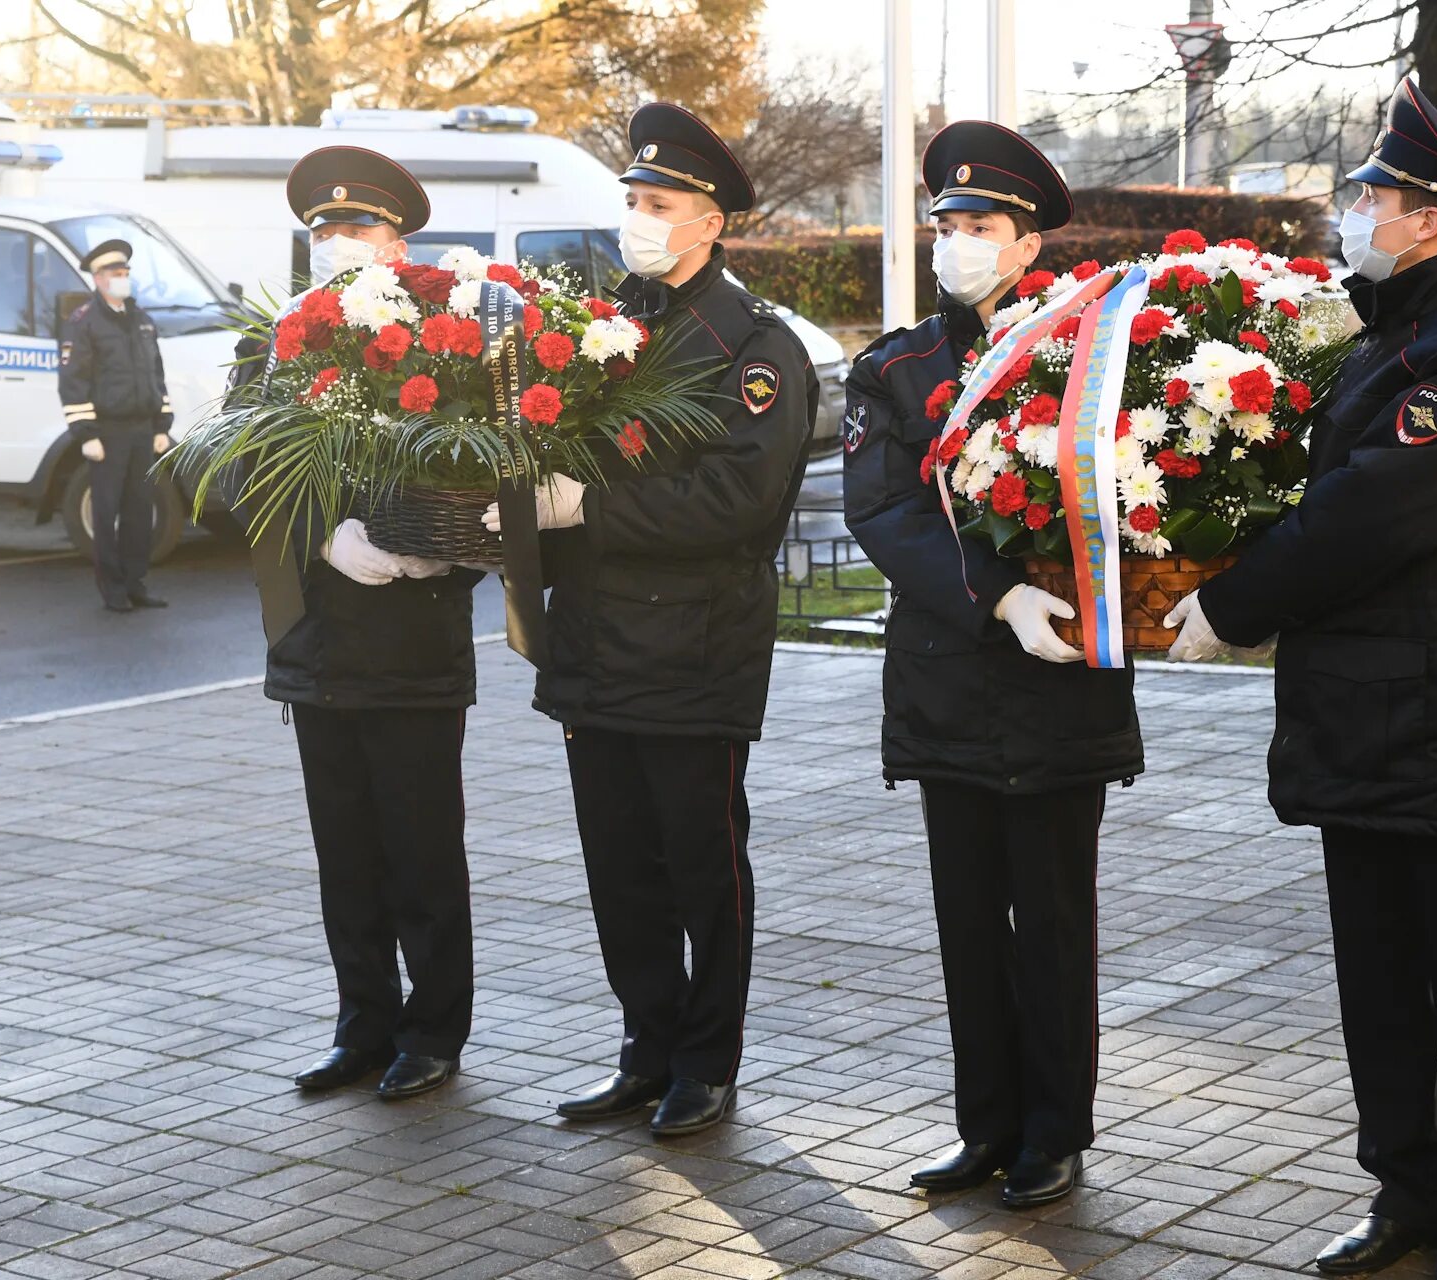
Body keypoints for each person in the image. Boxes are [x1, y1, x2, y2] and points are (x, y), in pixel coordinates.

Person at [1165, 79, 1437, 1280]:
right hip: (1361, 715)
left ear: (1431, 218)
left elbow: (1359, 518)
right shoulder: (1385, 334)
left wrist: (1229, 602)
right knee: (1379, 984)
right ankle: (1400, 1188)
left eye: (1375, 194)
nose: (1356, 209)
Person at [495, 103, 814, 1138]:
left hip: (693, 648)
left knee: (700, 866)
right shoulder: (596, 332)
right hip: (592, 642)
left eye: (660, 203)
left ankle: (705, 1060)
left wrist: (590, 506)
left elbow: (741, 502)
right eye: (632, 199)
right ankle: (643, 1045)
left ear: (710, 221)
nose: (640, 217)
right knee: (618, 865)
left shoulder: (752, 347)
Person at [840, 121, 1143, 1209]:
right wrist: (997, 594)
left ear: (1026, 246)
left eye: (981, 227)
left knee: (1052, 923)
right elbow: (878, 509)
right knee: (968, 926)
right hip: (948, 680)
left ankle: (1055, 1131)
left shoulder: (1094, 353)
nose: (958, 243)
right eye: (947, 225)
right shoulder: (896, 366)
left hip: (1060, 681)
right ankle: (986, 1126)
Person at [229, 146, 486, 1102]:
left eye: (359, 228)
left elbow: (479, 466)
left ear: (399, 239)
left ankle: (434, 1029)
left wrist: (438, 550)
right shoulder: (274, 343)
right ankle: (362, 1023)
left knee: (421, 850)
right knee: (346, 854)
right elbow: (232, 471)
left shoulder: (444, 337)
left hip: (413, 636)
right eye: (323, 230)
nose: (339, 242)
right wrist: (324, 537)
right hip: (316, 639)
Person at [58, 239, 173, 612]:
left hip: (142, 431)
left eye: (126, 273)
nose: (123, 279)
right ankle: (113, 589)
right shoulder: (83, 323)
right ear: (97, 279)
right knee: (107, 514)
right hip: (107, 434)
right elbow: (73, 382)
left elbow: (156, 375)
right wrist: (86, 434)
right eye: (115, 274)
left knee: (140, 512)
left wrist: (161, 425)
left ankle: (135, 582)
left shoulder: (141, 320)